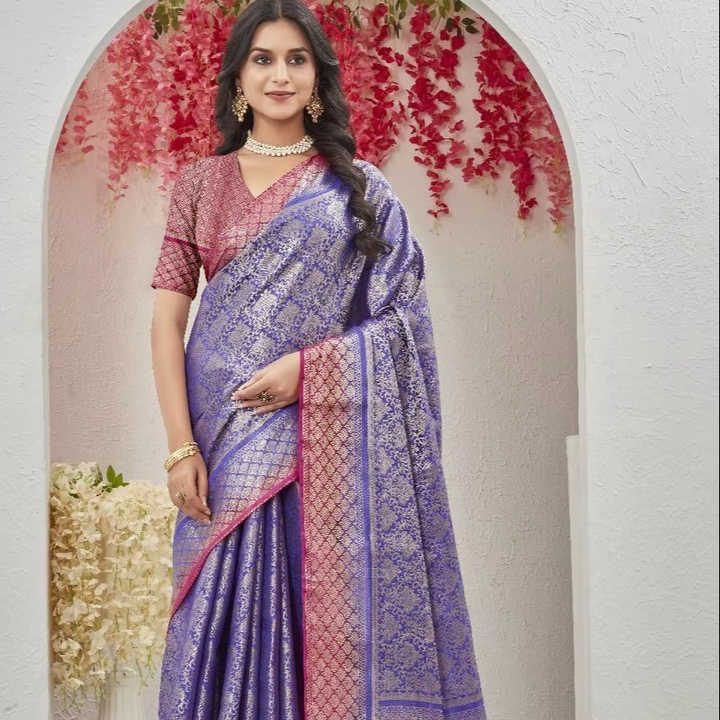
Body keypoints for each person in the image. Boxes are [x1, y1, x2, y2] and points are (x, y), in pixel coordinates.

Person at [150, 0, 487, 717]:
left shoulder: (358, 189)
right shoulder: (198, 186)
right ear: (238, 77)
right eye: (263, 59)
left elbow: (404, 324)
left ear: (317, 76)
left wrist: (309, 371)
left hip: (318, 444)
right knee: (214, 616)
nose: (280, 75)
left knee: (317, 616)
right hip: (219, 438)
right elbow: (166, 322)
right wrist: (180, 448)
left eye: (296, 60)